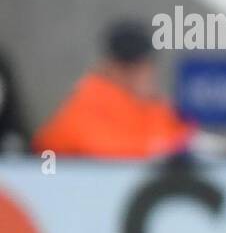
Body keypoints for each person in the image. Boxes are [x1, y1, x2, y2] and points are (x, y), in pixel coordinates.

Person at [32, 21, 194, 160]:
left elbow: (185, 140)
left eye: (143, 66)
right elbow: (102, 149)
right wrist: (166, 148)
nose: (139, 75)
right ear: (109, 65)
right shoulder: (89, 100)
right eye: (129, 67)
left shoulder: (156, 109)